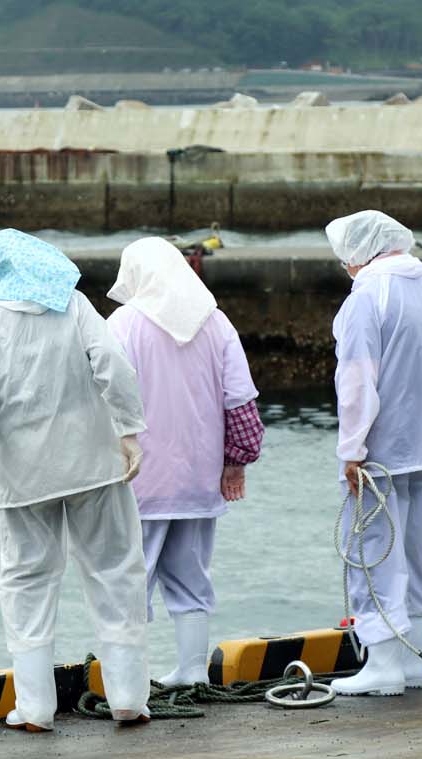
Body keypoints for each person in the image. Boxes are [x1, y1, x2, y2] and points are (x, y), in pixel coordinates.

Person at [0, 229, 152, 730]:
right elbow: (113, 365)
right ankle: (128, 698)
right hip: (94, 463)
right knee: (115, 573)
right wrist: (129, 430)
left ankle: (37, 708)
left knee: (26, 583)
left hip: (25, 475)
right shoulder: (75, 305)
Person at [105, 236, 263, 686]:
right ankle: (193, 670)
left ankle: (129, 683)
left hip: (139, 478)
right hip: (200, 477)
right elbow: (241, 401)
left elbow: (107, 396)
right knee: (192, 576)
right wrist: (237, 462)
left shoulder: (124, 324)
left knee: (131, 580)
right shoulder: (216, 322)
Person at [325, 210, 422, 696]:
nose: (345, 267)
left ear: (359, 254)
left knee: (371, 550)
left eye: (345, 258)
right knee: (420, 550)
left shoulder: (368, 297)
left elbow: (357, 378)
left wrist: (352, 447)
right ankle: (412, 660)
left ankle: (382, 662)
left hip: (383, 447)